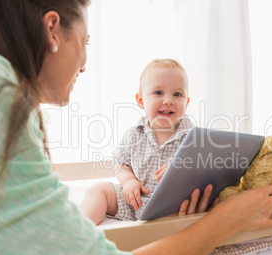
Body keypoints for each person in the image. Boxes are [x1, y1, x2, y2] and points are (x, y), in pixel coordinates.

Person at [0, 1, 272, 255]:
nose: (85, 63)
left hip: (161, 201)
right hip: (133, 195)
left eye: (178, 95)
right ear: (52, 30)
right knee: (101, 189)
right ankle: (84, 222)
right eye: (86, 42)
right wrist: (228, 219)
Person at [80, 58, 200, 225]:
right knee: (99, 189)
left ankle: (158, 231)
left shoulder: (194, 138)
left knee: (198, 205)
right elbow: (121, 164)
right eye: (158, 93)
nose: (168, 100)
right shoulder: (134, 134)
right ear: (141, 100)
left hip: (172, 207)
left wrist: (181, 174)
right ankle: (81, 228)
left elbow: (202, 175)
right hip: (134, 202)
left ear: (186, 103)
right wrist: (128, 180)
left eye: (177, 94)